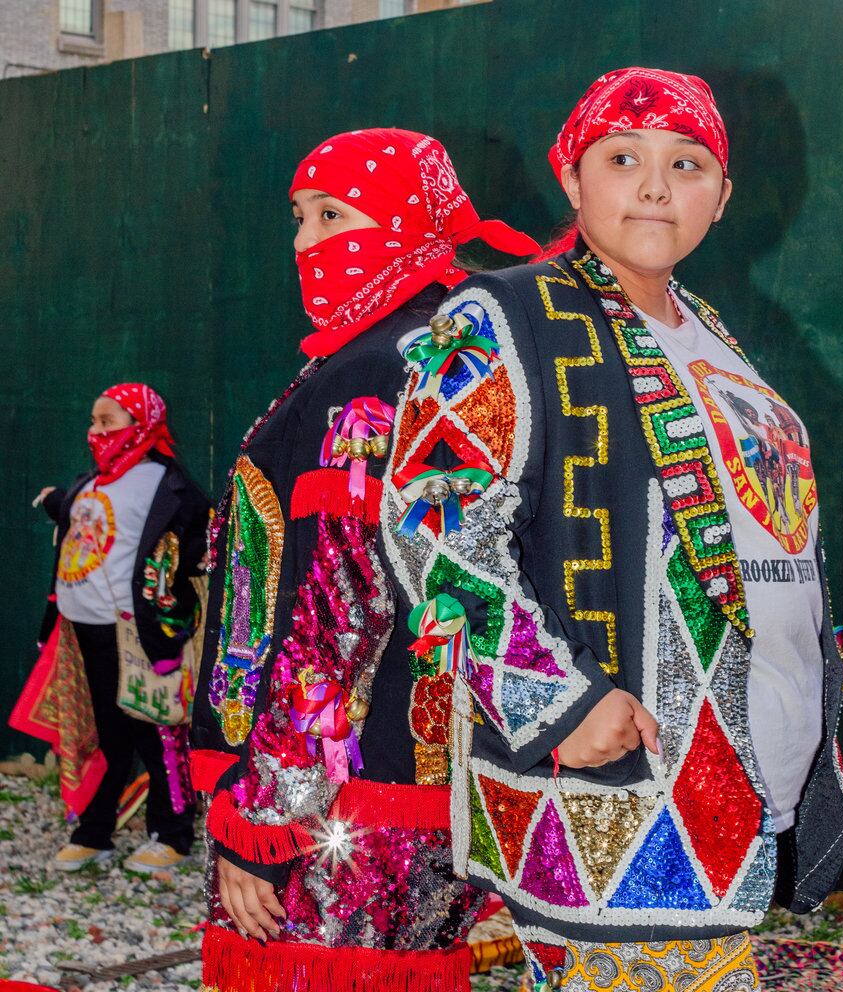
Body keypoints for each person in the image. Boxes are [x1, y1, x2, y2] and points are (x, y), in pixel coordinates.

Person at [381, 67, 843, 992]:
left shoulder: (711, 333)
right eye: (623, 157)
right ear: (573, 177)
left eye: (686, 165)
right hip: (619, 800)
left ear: (721, 198)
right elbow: (432, 521)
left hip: (748, 777)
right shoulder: (505, 313)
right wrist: (555, 700)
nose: (652, 186)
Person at [189, 128, 539, 992]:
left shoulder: (371, 371)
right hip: (418, 789)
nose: (307, 242)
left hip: (332, 810)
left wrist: (262, 823)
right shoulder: (439, 352)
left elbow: (341, 610)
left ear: (408, 223)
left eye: (335, 215)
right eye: (300, 216)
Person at [16, 383, 210, 873]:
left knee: (157, 731)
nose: (97, 431)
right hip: (82, 634)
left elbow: (197, 540)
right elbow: (85, 520)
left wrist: (175, 613)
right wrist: (56, 501)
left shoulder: (167, 485)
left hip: (138, 636)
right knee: (103, 735)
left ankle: (173, 835)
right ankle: (94, 831)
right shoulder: (92, 482)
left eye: (109, 421)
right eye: (94, 421)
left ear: (142, 425)